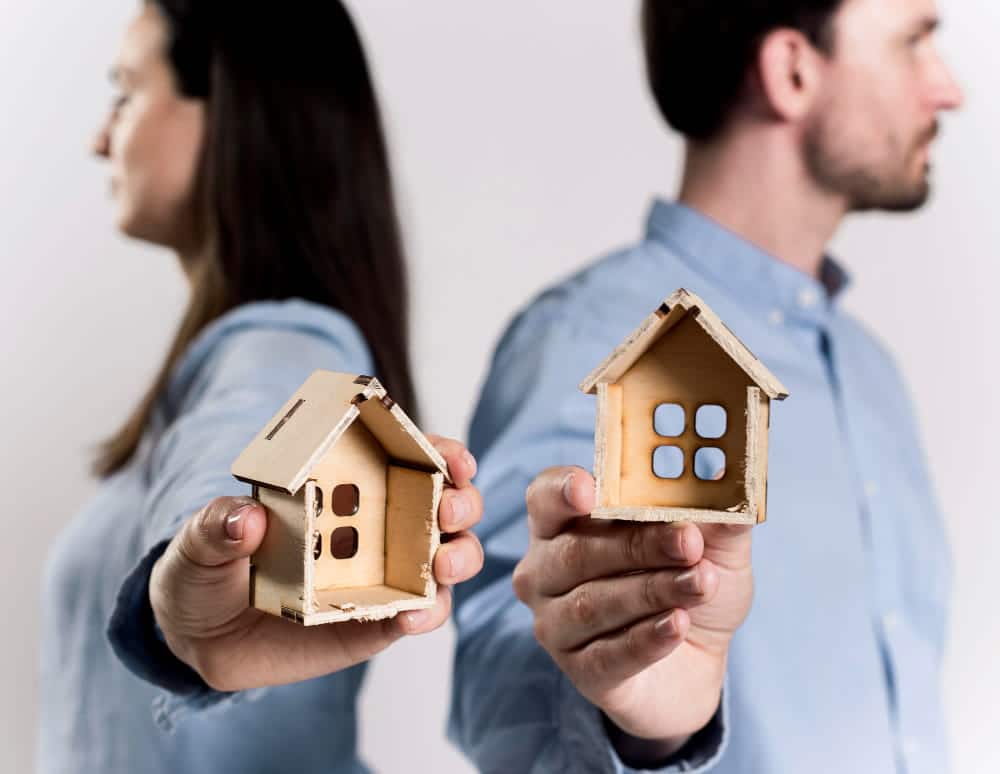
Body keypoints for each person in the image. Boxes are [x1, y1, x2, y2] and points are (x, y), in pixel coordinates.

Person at [451, 0, 962, 771]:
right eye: (913, 42)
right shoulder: (588, 343)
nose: (947, 88)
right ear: (791, 70)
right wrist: (640, 725)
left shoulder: (871, 373)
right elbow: (504, 689)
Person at [38, 3, 484, 772]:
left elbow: (234, 456)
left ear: (233, 107)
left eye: (126, 93)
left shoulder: (285, 352)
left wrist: (196, 594)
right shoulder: (245, 361)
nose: (99, 140)